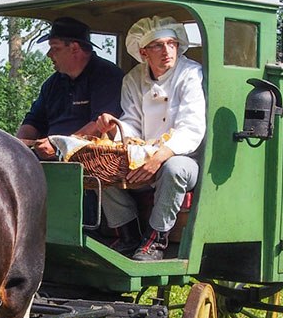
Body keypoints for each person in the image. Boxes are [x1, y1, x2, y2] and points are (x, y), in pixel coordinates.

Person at [95, 16, 206, 261]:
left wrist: (159, 157)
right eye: (158, 45)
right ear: (144, 52)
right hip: (144, 154)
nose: (167, 51)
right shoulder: (134, 79)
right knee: (101, 169)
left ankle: (155, 241)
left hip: (183, 157)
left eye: (171, 44)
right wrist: (114, 128)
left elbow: (192, 128)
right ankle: (127, 235)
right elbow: (132, 124)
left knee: (174, 169)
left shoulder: (190, 75)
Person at [16, 17, 124, 160]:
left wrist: (61, 146)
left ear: (74, 48)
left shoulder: (108, 76)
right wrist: (17, 147)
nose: (49, 54)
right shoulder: (52, 84)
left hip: (89, 164)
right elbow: (33, 121)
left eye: (55, 48)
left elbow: (100, 125)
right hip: (47, 159)